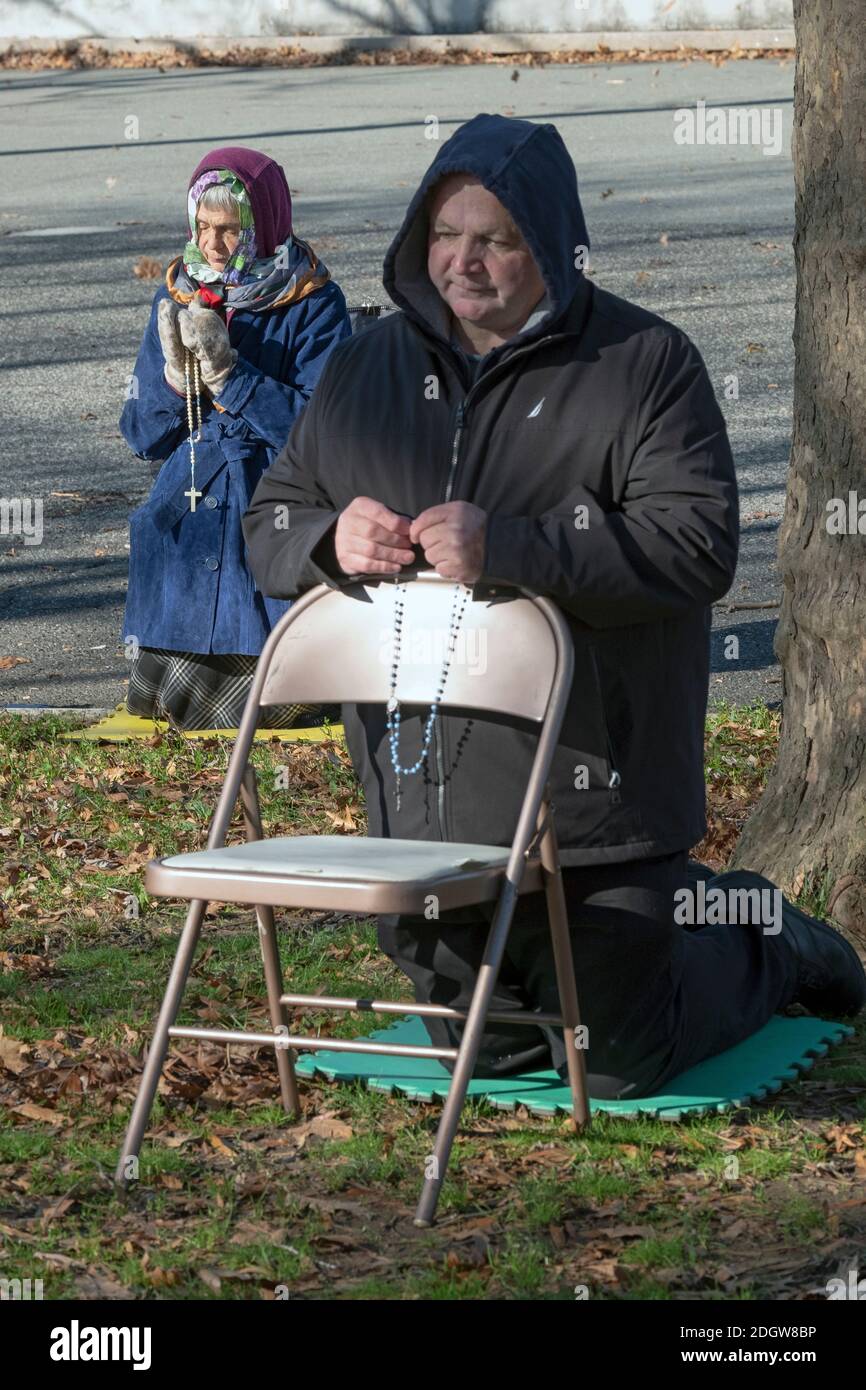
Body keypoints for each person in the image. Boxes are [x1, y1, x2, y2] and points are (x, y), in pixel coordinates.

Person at [241, 114, 865, 1097]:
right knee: (483, 1053)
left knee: (614, 1064)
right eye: (445, 235)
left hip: (593, 804)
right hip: (421, 805)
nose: (464, 262)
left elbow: (694, 548)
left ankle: (761, 934)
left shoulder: (644, 363)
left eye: (497, 239)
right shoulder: (366, 366)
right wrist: (326, 541)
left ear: (552, 244)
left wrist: (512, 548)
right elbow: (267, 518)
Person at [119, 145, 351, 729]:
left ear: (265, 226)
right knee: (171, 695)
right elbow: (143, 436)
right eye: (202, 227)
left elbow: (324, 438)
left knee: (273, 694)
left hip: (273, 501)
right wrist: (174, 383)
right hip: (190, 500)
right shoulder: (177, 294)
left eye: (230, 230)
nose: (213, 246)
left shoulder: (315, 302)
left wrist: (232, 378)